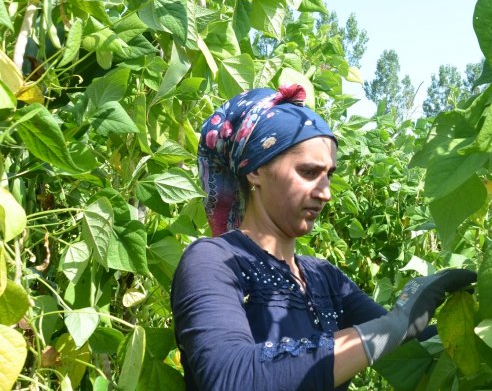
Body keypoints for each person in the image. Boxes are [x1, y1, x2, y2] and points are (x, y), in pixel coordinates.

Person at [170, 86, 476, 390]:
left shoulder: (324, 278)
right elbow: (231, 377)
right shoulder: (213, 261)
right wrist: (396, 323)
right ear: (255, 171)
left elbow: (411, 350)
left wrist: (489, 312)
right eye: (308, 172)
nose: (325, 193)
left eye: (328, 174)